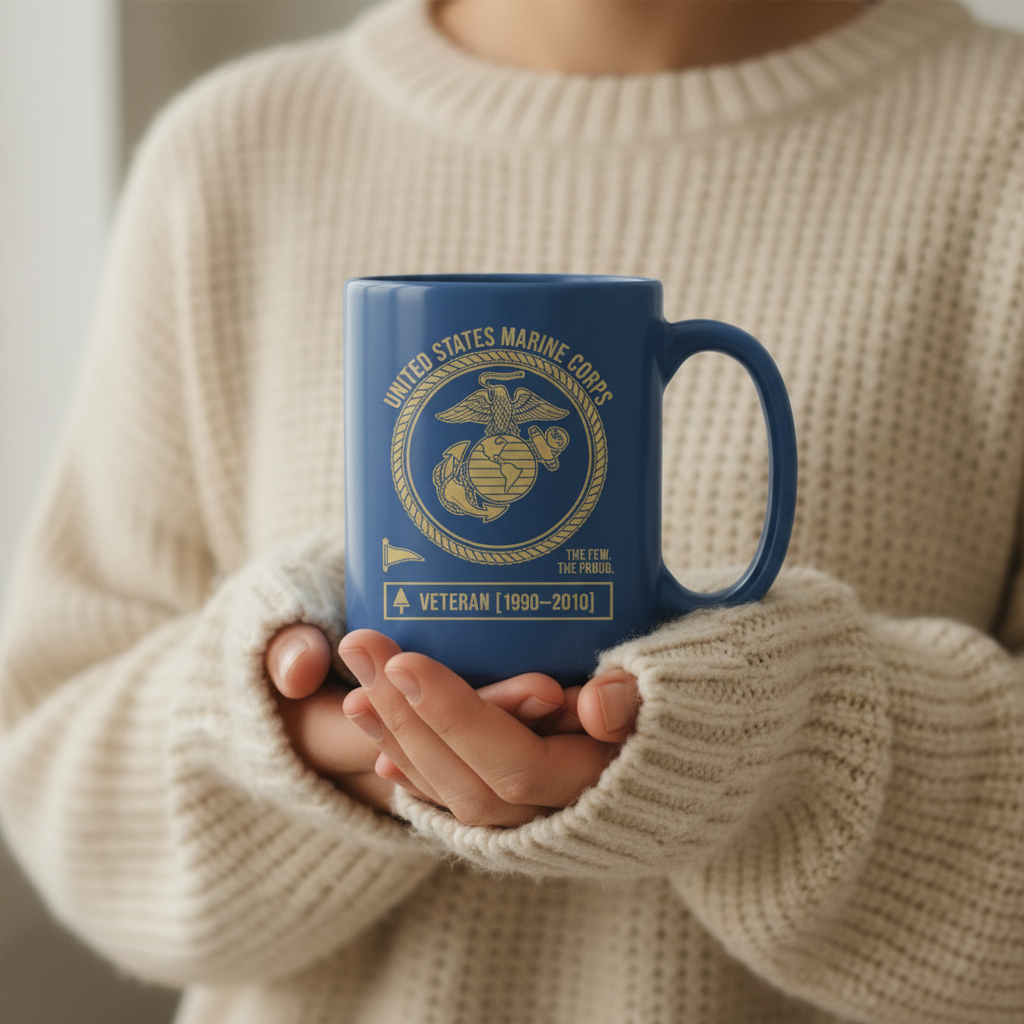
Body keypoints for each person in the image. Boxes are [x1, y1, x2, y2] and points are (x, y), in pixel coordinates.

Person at [1, 0, 1023, 1021]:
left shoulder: (1001, 141)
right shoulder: (231, 151)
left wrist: (774, 746)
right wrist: (282, 729)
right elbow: (50, 769)